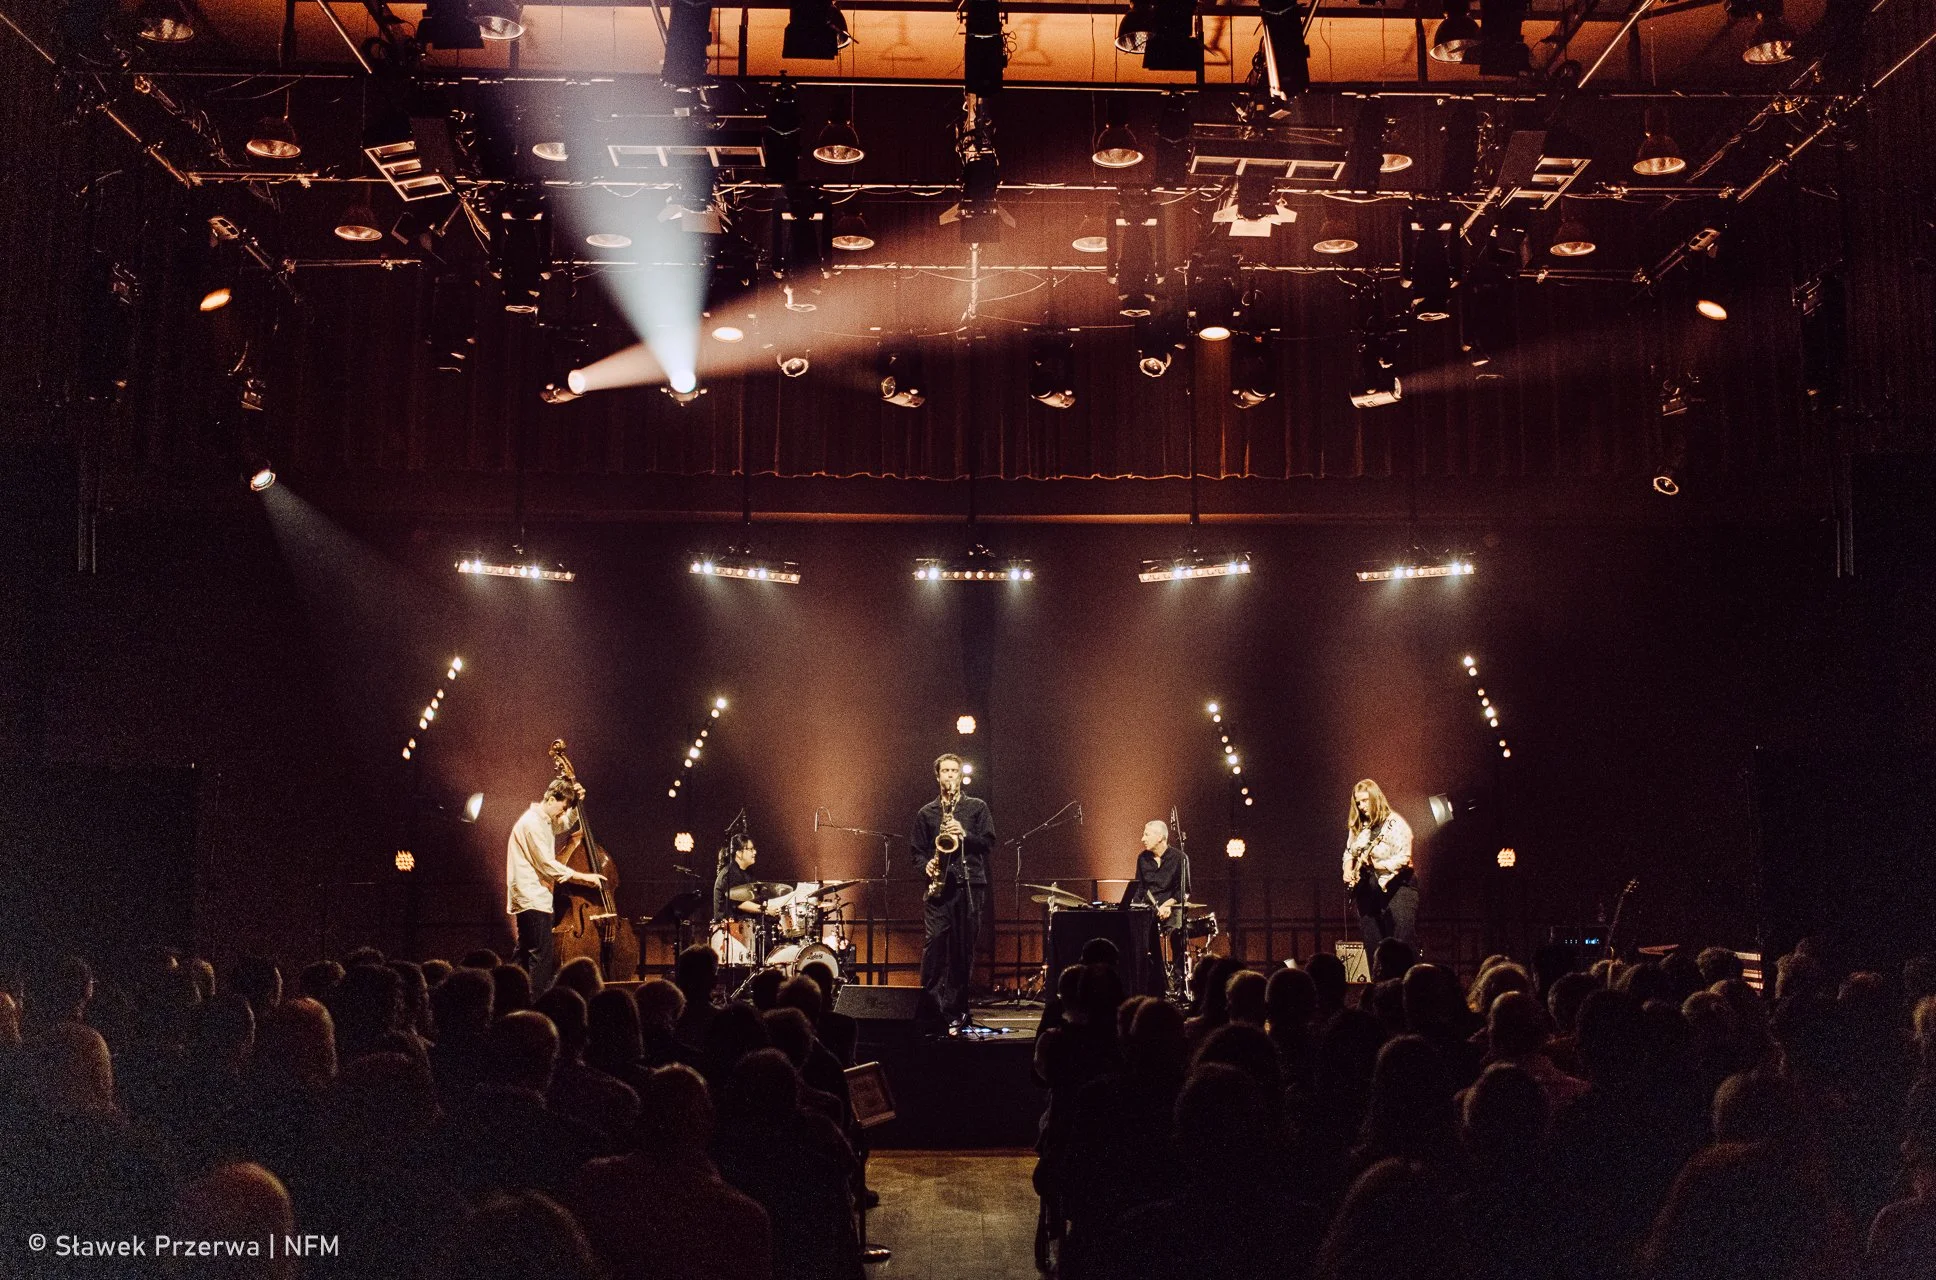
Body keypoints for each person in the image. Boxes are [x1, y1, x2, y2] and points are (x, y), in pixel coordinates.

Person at [909, 753, 995, 1028]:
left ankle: (955, 1011)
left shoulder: (977, 807)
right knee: (934, 944)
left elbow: (988, 843)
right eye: (944, 771)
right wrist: (926, 865)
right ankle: (930, 1009)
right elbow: (916, 851)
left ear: (960, 775)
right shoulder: (926, 813)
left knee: (963, 949)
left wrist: (964, 834)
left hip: (969, 885)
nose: (949, 775)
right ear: (938, 776)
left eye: (953, 771)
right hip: (939, 888)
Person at [506, 778, 605, 996]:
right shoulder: (532, 823)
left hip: (532, 897)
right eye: (562, 808)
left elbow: (564, 823)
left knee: (522, 957)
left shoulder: (544, 820)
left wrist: (577, 804)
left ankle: (509, 1000)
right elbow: (547, 864)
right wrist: (585, 877)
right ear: (551, 799)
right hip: (533, 898)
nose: (562, 814)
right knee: (540, 959)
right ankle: (536, 1004)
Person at [1341, 779, 1417, 951]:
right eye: (1358, 802)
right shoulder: (1359, 826)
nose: (1361, 806)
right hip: (1368, 889)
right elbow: (1349, 852)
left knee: (1402, 942)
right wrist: (1347, 868)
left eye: (1365, 800)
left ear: (1375, 798)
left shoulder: (1394, 823)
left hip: (1398, 886)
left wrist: (1379, 865)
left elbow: (1404, 857)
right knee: (1373, 943)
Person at [1128, 819, 1190, 997]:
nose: (1142, 838)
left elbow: (1184, 891)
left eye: (1146, 834)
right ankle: (1148, 982)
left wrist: (1167, 905)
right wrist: (1133, 907)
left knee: (1177, 933)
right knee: (1136, 934)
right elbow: (1140, 889)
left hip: (1172, 907)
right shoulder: (1142, 858)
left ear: (1160, 837)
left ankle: (1179, 985)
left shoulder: (1180, 858)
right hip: (1149, 909)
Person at [712, 836, 778, 965]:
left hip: (744, 926)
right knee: (765, 942)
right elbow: (738, 903)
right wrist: (765, 910)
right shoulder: (730, 874)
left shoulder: (747, 873)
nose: (755, 852)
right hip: (731, 929)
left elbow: (755, 898)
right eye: (751, 849)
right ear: (739, 853)